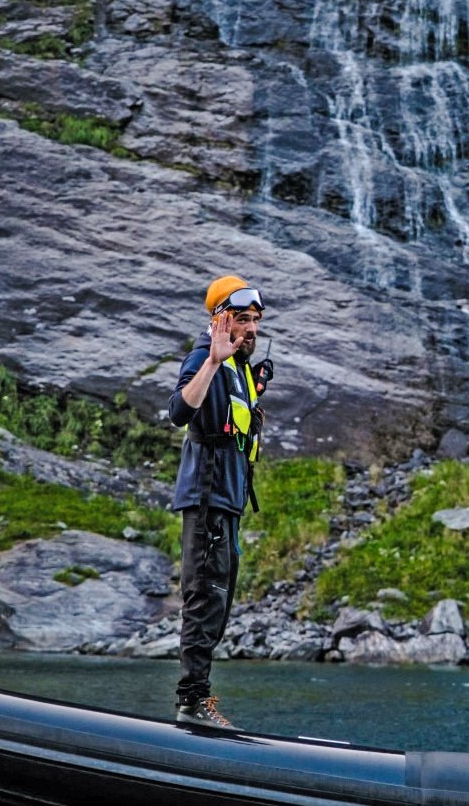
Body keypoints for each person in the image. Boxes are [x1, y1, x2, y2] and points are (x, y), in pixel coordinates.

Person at [168, 275, 271, 728]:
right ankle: (192, 704)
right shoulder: (205, 357)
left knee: (219, 605)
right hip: (206, 501)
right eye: (243, 319)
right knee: (204, 600)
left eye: (256, 321)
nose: (251, 329)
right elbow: (179, 411)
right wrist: (211, 362)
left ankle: (198, 701)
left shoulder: (243, 371)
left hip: (227, 506)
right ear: (220, 320)